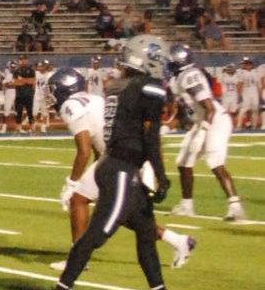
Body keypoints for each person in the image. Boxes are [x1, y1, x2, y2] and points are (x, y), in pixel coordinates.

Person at [41, 36, 194, 290]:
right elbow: (149, 137)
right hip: (122, 169)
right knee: (98, 233)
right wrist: (160, 174)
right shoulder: (146, 86)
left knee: (146, 232)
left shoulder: (117, 85)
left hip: (117, 164)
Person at [48, 64, 194, 268]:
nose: (52, 96)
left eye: (53, 90)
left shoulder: (71, 106)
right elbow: (101, 143)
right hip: (129, 154)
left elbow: (84, 149)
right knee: (123, 212)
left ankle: (77, 258)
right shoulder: (96, 99)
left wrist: (72, 182)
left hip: (121, 157)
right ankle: (178, 240)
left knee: (78, 200)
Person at [167, 44, 246, 221]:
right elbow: (185, 113)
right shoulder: (176, 79)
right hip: (201, 121)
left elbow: (209, 108)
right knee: (183, 161)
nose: (169, 62)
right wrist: (166, 126)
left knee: (214, 162)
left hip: (215, 120)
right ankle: (187, 206)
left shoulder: (190, 76)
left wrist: (202, 133)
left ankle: (235, 207)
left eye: (172, 59)